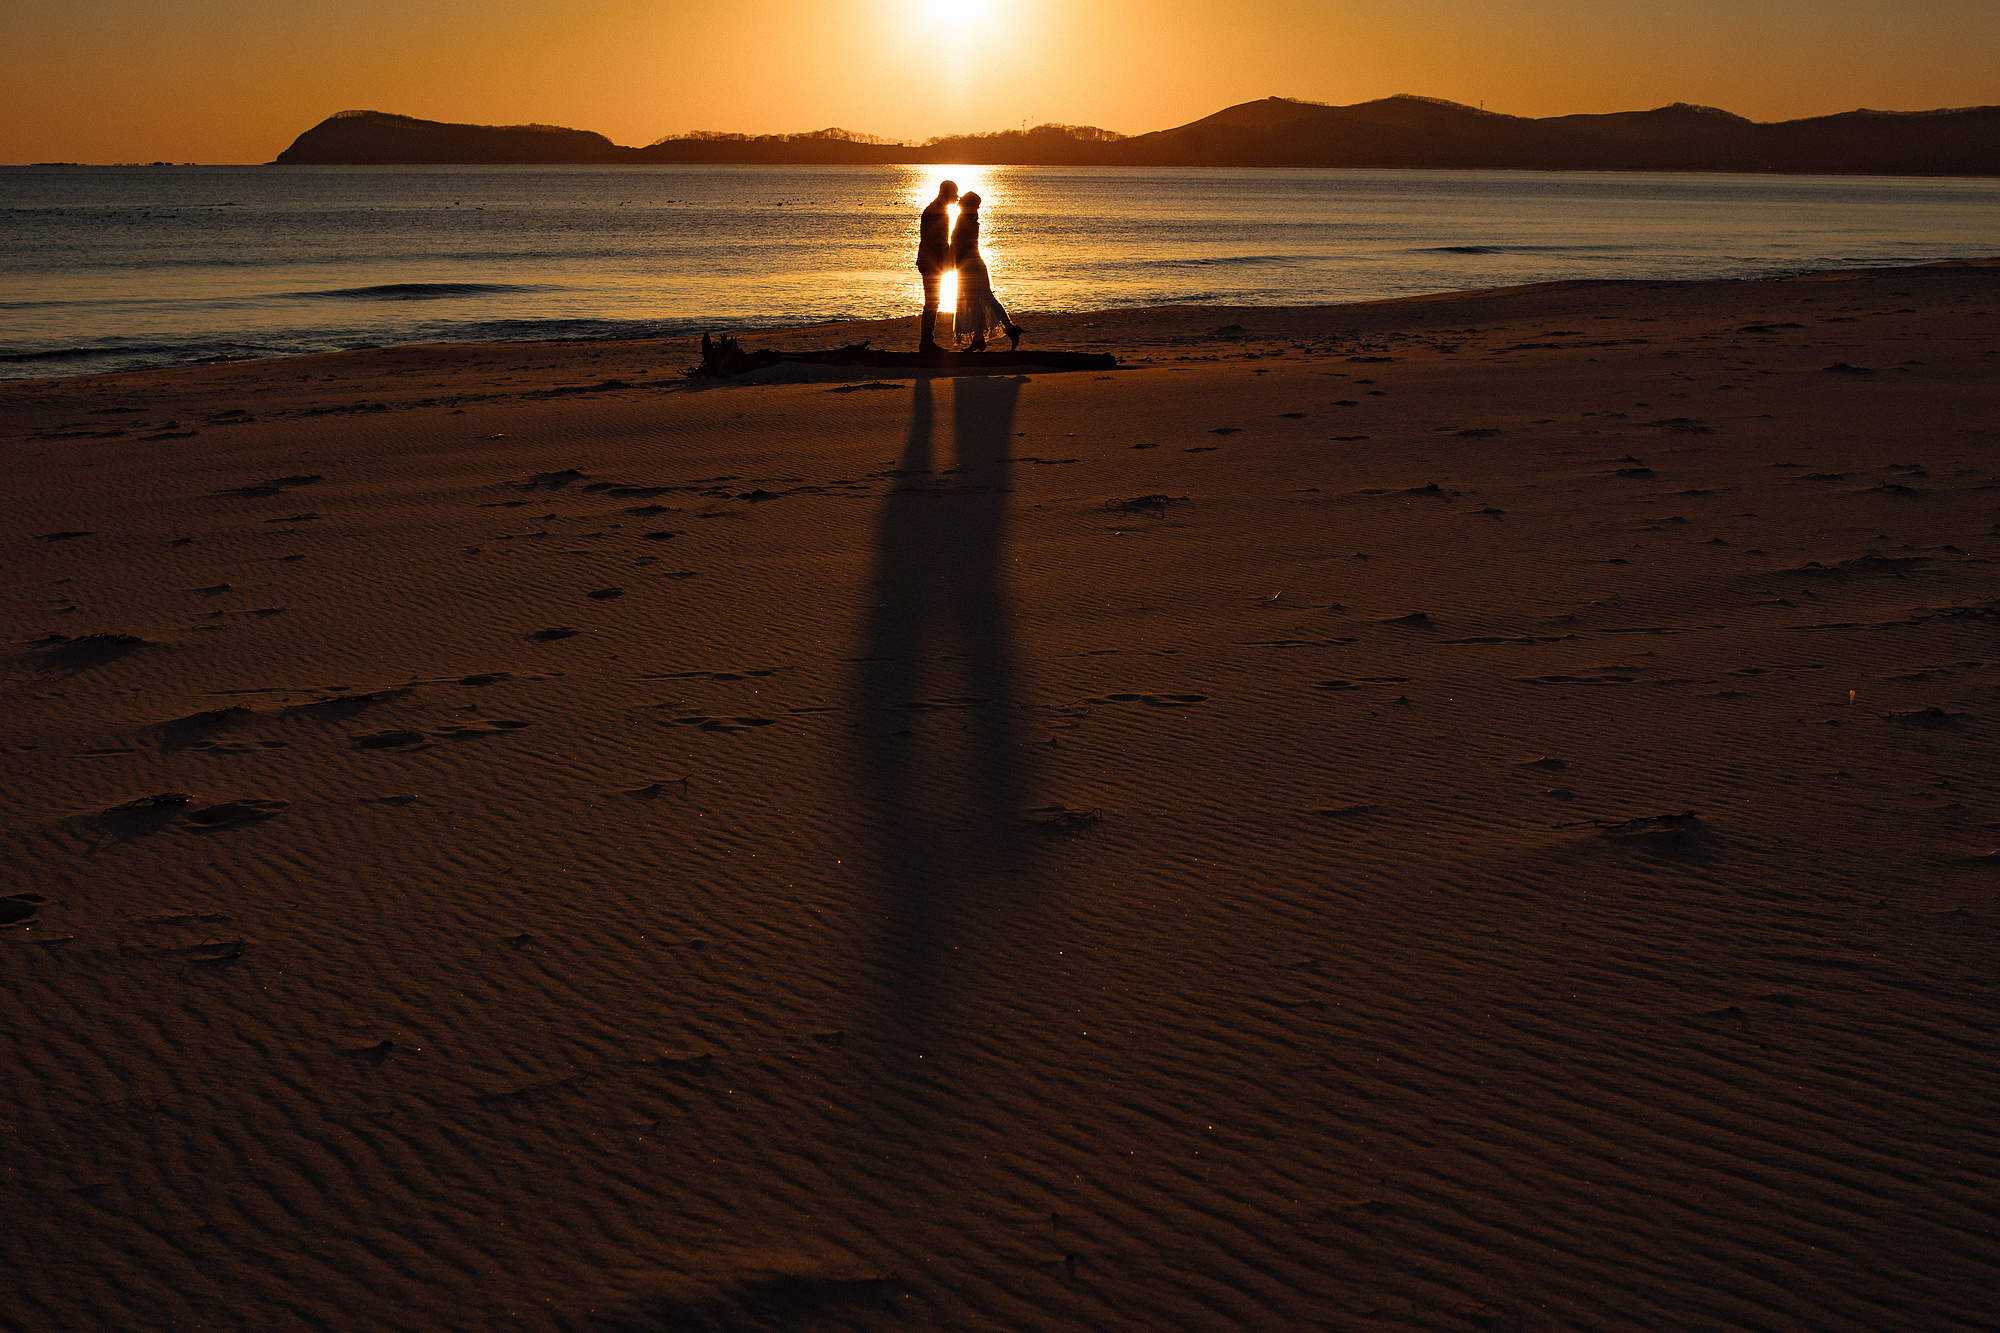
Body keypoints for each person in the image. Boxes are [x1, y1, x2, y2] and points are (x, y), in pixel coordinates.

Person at [949, 192, 1023, 353]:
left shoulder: (964, 219)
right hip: (974, 263)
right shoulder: (970, 219)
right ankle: (999, 332)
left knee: (974, 302)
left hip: (968, 266)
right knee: (984, 299)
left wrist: (952, 262)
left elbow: (958, 245)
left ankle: (984, 337)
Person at [916, 179, 957, 352]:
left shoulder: (935, 209)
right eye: (954, 195)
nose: (956, 198)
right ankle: (926, 342)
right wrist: (946, 261)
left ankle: (927, 340)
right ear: (946, 193)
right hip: (931, 263)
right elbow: (938, 241)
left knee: (933, 301)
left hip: (930, 261)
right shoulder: (938, 211)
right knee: (932, 302)